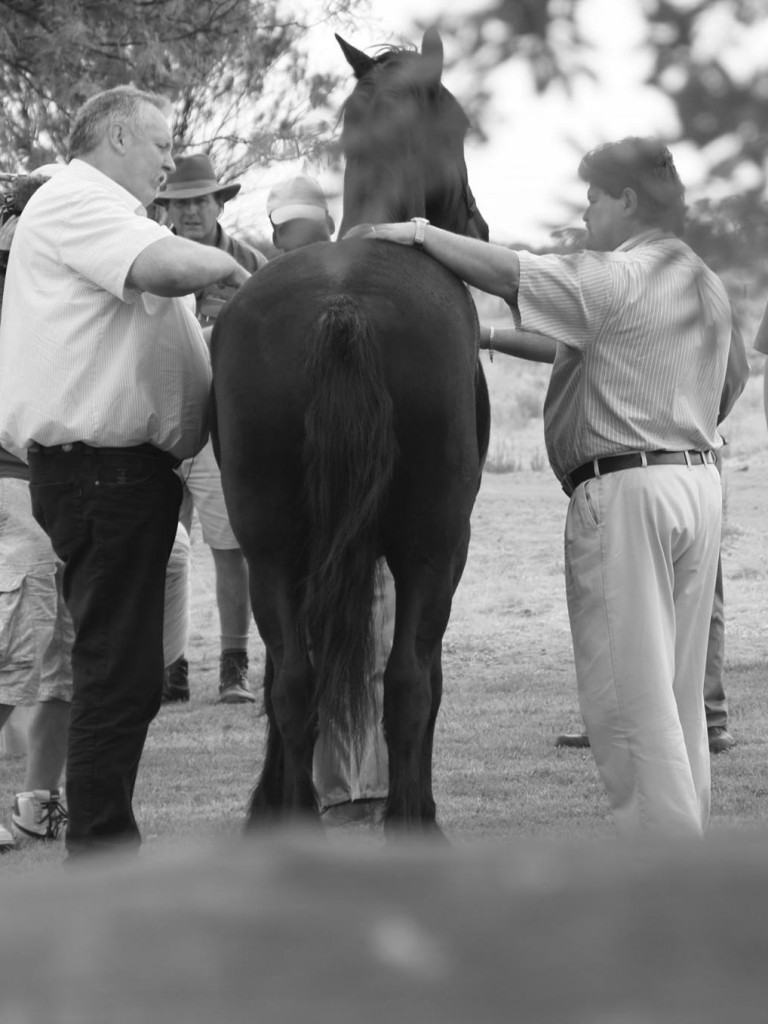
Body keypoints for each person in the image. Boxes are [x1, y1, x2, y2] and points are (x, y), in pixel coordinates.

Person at [358, 137, 732, 837]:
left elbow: (512, 272)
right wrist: (488, 341)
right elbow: (716, 374)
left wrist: (417, 233)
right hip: (696, 482)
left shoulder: (617, 276)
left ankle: (663, 881)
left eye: (594, 199)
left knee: (628, 702)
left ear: (627, 200)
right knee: (678, 696)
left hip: (629, 493)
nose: (587, 214)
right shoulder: (697, 278)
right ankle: (689, 858)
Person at [0, 85, 252, 859]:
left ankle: (104, 843)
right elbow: (173, 269)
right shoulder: (77, 202)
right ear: (113, 138)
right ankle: (103, 856)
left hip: (123, 477)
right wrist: (246, 275)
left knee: (129, 671)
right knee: (115, 670)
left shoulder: (110, 215)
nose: (170, 160)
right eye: (160, 143)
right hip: (101, 475)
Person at [553, 305, 749, 755]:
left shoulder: (652, 282)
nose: (587, 228)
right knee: (685, 591)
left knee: (647, 593)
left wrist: (695, 419)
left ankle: (692, 716)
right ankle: (690, 718)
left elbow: (734, 369)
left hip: (652, 459)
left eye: (588, 225)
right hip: (685, 459)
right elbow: (736, 371)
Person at [266, 173, 390, 822]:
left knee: (334, 631)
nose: (301, 247)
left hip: (320, 501)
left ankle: (344, 784)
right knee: (368, 624)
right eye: (294, 235)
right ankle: (358, 783)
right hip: (354, 495)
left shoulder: (267, 302)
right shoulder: (366, 290)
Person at [154, 154, 268, 705]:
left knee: (230, 547)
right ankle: (168, 666)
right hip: (162, 425)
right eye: (179, 202)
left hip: (225, 425)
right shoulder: (153, 257)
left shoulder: (251, 264)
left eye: (201, 200)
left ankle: (234, 666)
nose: (191, 211)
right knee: (158, 547)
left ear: (220, 202)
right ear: (167, 208)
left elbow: (271, 344)